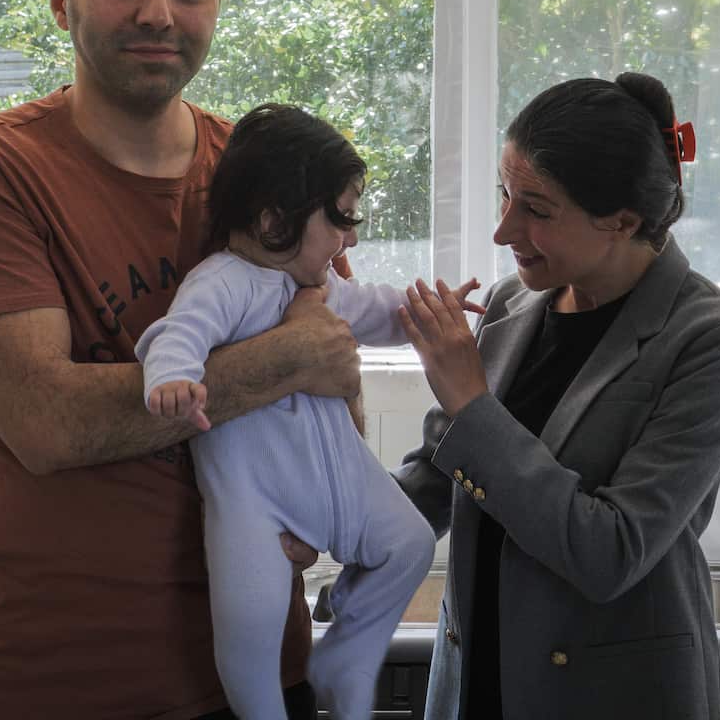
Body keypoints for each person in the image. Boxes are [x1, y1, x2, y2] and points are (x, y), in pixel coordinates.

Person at [0, 0, 363, 720]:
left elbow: (335, 372)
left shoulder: (267, 172)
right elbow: (45, 421)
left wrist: (328, 497)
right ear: (61, 1)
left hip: (266, 680)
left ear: (217, 5)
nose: (159, 11)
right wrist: (282, 359)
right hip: (58, 687)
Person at [394, 73, 720, 720]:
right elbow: (434, 480)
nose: (503, 230)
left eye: (535, 209)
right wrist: (308, 515)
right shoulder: (512, 303)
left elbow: (611, 552)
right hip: (474, 688)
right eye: (505, 194)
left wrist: (471, 404)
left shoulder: (713, 338)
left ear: (621, 221)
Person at [137, 103, 481, 720]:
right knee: (248, 624)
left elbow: (380, 310)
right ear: (273, 221)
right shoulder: (223, 283)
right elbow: (178, 335)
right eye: (341, 219)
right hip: (254, 507)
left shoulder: (317, 285)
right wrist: (173, 380)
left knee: (407, 544)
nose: (350, 237)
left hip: (340, 487)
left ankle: (348, 645)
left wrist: (433, 309)